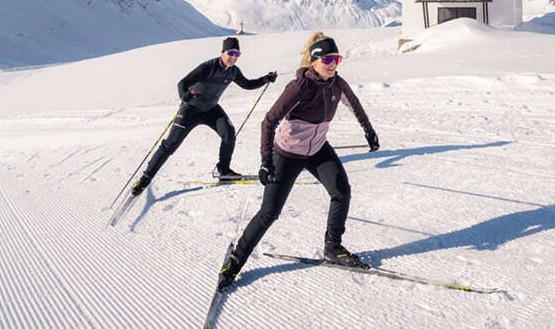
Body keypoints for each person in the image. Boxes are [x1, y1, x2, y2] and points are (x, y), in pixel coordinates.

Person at [217, 32, 379, 291]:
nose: (333, 65)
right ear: (315, 61)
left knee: (341, 191)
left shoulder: (337, 84)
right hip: (287, 154)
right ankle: (234, 262)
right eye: (328, 60)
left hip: (317, 149)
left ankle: (333, 247)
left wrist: (368, 131)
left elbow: (355, 104)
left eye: (337, 59)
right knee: (269, 213)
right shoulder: (300, 87)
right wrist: (266, 160)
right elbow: (269, 121)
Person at [131, 37, 277, 195]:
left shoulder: (233, 71)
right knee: (170, 144)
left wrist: (266, 79)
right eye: (231, 53)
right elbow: (182, 83)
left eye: (237, 54)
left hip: (211, 109)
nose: (233, 57)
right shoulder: (208, 67)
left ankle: (224, 170)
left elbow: (247, 84)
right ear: (223, 52)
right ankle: (145, 178)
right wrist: (184, 96)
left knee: (228, 133)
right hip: (190, 110)